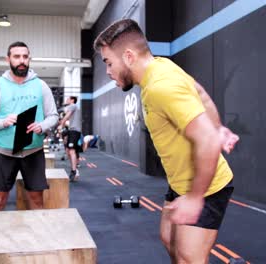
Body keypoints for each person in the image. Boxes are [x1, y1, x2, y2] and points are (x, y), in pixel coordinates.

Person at [94, 19, 239, 263]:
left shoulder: (162, 86)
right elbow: (200, 93)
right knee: (169, 239)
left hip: (207, 186)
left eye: (109, 63)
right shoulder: (160, 66)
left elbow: (207, 141)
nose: (108, 72)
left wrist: (194, 198)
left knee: (188, 258)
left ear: (128, 56)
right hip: (181, 181)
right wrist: (217, 127)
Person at [0, 41, 58, 211]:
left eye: (25, 56)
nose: (21, 60)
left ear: (29, 59)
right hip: (2, 152)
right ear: (8, 59)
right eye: (16, 56)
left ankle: (36, 237)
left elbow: (53, 116)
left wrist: (42, 126)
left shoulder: (41, 86)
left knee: (37, 201)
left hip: (33, 152)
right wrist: (2, 122)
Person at [58, 96, 82, 181]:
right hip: (72, 131)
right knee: (68, 151)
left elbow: (67, 116)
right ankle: (75, 169)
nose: (66, 100)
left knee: (71, 150)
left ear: (72, 100)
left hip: (75, 131)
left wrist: (61, 124)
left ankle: (74, 171)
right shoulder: (73, 108)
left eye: (68, 99)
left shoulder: (73, 105)